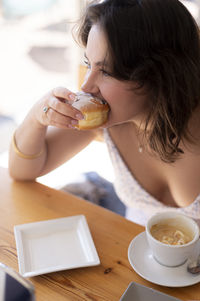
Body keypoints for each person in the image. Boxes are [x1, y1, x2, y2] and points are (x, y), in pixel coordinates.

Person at [8, 0, 200, 226]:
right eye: (88, 64)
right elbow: (23, 171)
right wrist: (37, 117)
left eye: (106, 72)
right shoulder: (105, 119)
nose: (86, 86)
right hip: (131, 250)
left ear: (158, 73)